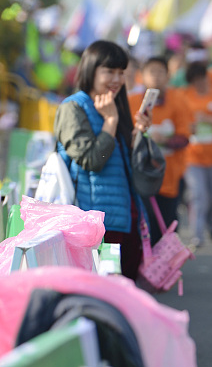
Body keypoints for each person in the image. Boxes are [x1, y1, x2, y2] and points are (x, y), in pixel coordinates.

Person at [54, 40, 153, 280]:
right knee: (103, 292)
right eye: (109, 71)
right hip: (94, 223)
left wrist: (138, 134)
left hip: (126, 218)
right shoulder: (74, 107)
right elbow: (92, 160)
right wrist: (110, 123)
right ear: (91, 70)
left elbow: (124, 165)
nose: (117, 79)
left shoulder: (115, 106)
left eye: (121, 72)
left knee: (124, 289)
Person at [130, 57, 191, 242]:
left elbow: (184, 137)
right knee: (144, 226)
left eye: (160, 72)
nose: (156, 76)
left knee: (167, 224)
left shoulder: (178, 100)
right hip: (140, 175)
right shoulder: (131, 101)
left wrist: (163, 140)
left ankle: (166, 260)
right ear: (142, 76)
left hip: (169, 175)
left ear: (168, 76)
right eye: (151, 72)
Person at [181, 61, 212, 247]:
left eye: (202, 79)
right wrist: (189, 127)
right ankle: (197, 235)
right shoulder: (185, 96)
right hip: (192, 156)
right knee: (198, 195)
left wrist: (208, 119)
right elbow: (180, 122)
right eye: (195, 81)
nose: (199, 84)